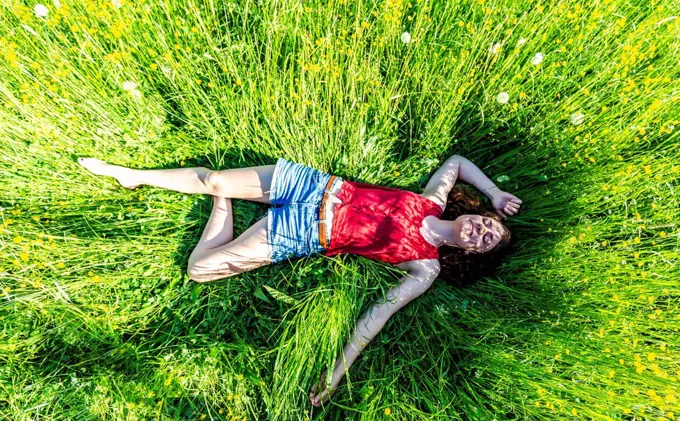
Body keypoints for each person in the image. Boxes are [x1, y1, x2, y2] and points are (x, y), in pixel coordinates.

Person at [77, 155, 523, 407]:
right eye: (487, 224)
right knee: (213, 178)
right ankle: (134, 176)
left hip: (305, 234)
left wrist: (335, 375)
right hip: (314, 188)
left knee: (200, 270)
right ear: (476, 214)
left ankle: (224, 203)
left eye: (485, 242)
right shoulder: (432, 199)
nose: (480, 232)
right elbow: (459, 162)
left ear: (470, 254)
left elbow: (376, 318)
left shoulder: (425, 267)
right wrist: (497, 194)